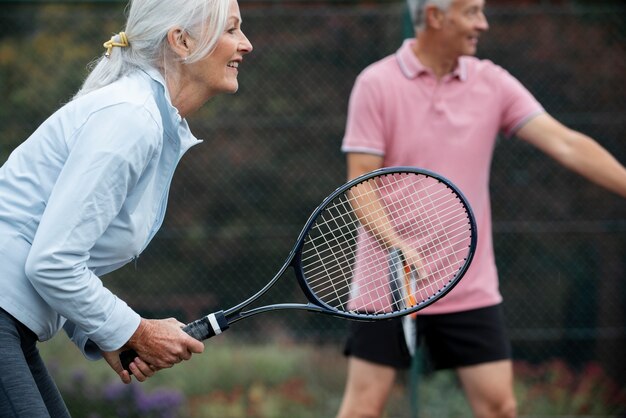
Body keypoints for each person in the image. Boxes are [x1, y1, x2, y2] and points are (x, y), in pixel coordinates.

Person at [335, 0, 626, 417]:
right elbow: (360, 184)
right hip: (389, 285)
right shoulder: (376, 83)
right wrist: (396, 244)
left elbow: (566, 143)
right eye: (471, 12)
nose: (482, 24)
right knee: (363, 409)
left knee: (500, 407)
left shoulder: (493, 82)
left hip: (468, 284)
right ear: (435, 16)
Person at [0, 0, 253, 415]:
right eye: (231, 29)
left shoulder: (145, 117)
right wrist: (135, 329)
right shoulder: (131, 119)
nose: (246, 44)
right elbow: (51, 262)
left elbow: (49, 248)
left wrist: (108, 334)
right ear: (181, 41)